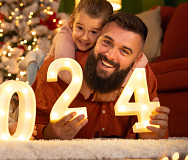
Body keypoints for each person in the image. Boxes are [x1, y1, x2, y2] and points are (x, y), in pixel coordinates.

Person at [32, 12, 170, 140]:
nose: (110, 55)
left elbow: (153, 135)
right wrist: (47, 133)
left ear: (137, 59)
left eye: (124, 51)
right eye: (107, 42)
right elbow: (28, 128)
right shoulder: (57, 68)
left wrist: (150, 136)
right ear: (96, 40)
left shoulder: (142, 75)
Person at [29, 0, 147, 102]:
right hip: (46, 65)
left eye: (93, 32)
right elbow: (64, 71)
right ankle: (31, 60)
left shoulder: (105, 39)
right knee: (31, 90)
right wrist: (93, 90)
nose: (85, 37)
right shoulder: (64, 36)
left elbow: (142, 59)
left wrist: (118, 87)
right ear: (72, 22)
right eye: (80, 28)